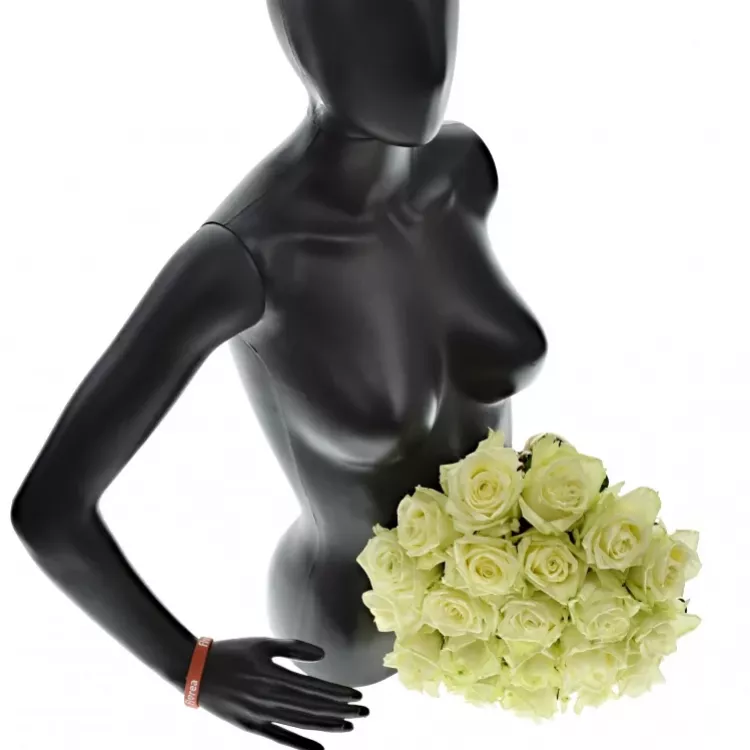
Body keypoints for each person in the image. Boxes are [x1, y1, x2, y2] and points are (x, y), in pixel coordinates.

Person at [10, 1, 547, 748]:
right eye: (369, 11)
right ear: (298, 24)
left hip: (511, 611)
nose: (420, 47)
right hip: (345, 636)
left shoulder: (461, 167)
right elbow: (49, 509)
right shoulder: (246, 256)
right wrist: (190, 667)